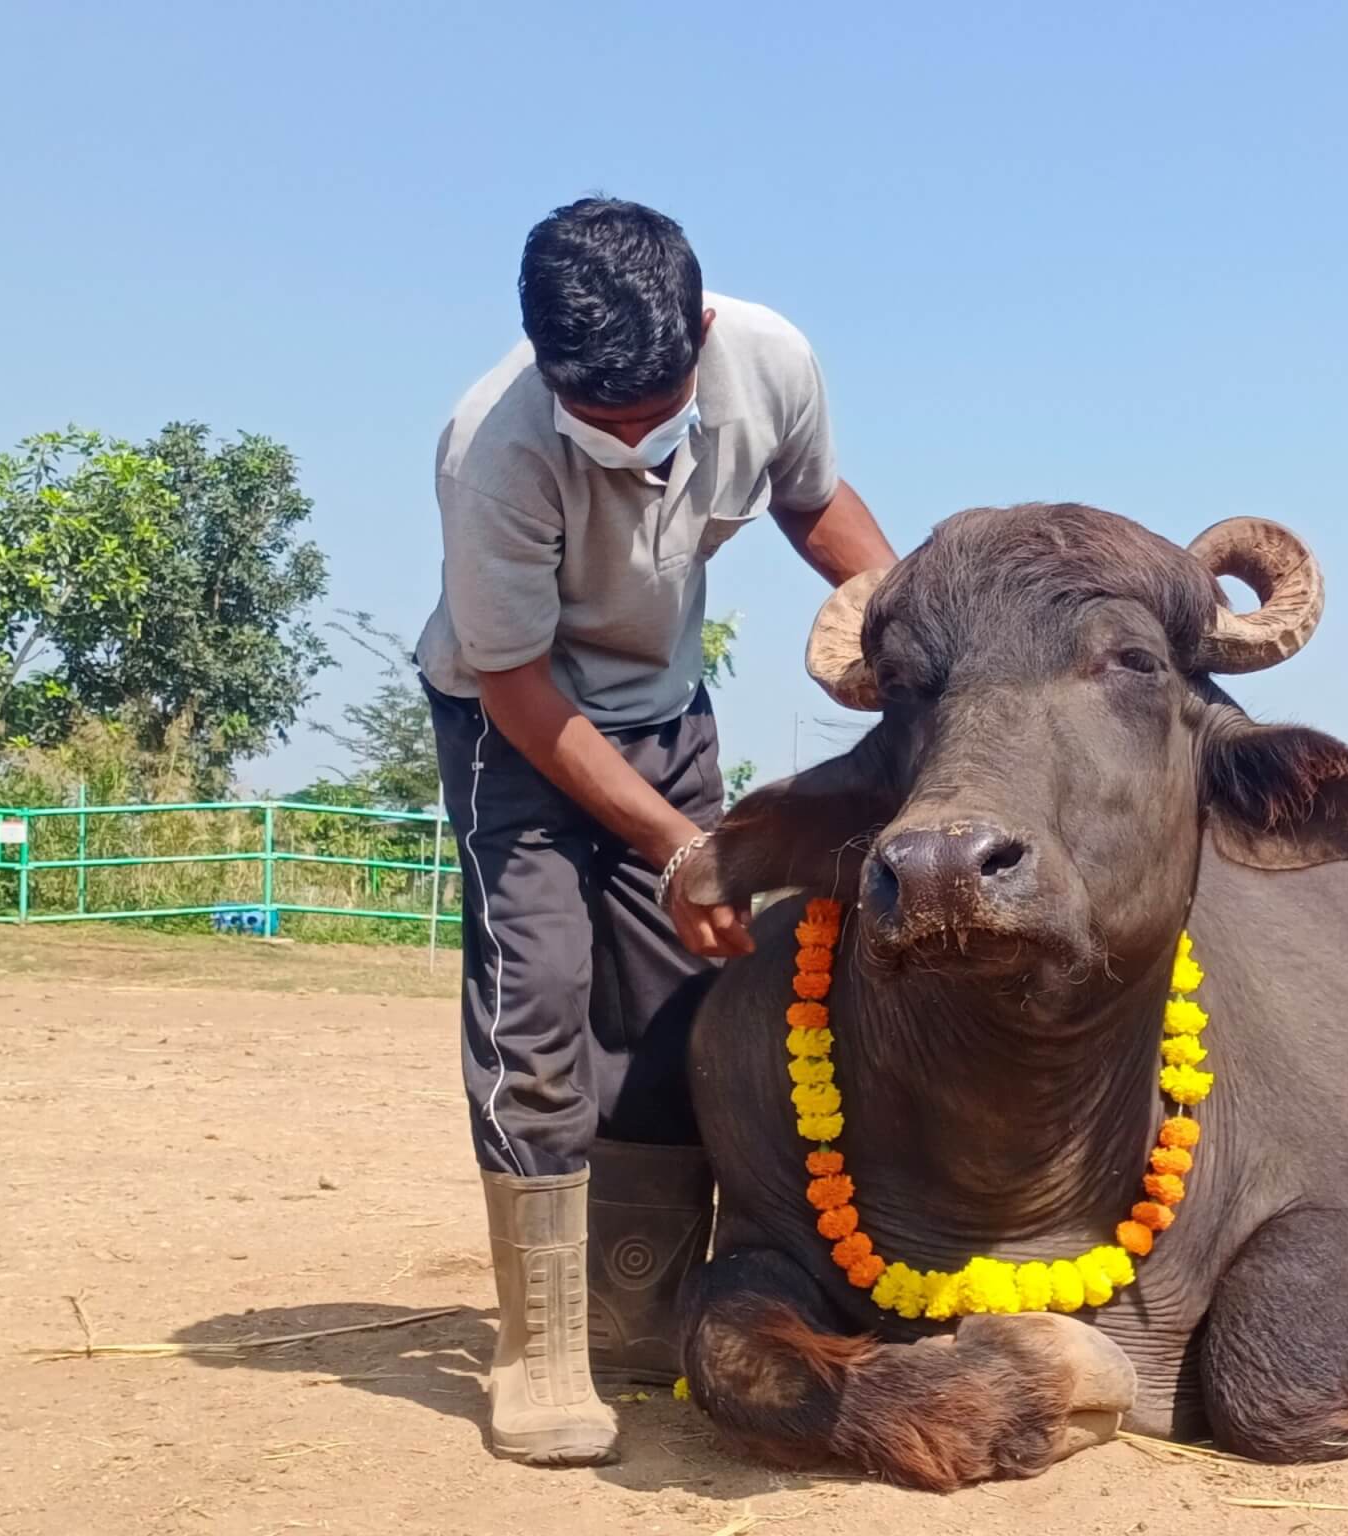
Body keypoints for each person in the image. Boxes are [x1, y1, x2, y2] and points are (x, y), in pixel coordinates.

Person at [417, 199, 896, 1466]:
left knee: (687, 994)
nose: (630, 440)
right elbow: (518, 689)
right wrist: (677, 843)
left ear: (698, 329)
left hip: (663, 716)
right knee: (543, 1000)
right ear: (540, 359)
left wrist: (917, 647)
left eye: (654, 409)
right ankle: (538, 1354)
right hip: (511, 730)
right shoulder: (492, 451)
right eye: (600, 419)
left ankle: (633, 1318)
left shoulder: (772, 363)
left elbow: (812, 505)